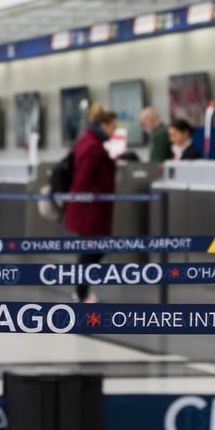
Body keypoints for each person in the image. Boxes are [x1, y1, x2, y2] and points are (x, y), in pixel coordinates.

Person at [63, 103, 119, 304]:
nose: (113, 132)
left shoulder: (89, 142)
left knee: (93, 249)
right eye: (112, 127)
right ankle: (81, 294)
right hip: (91, 209)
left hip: (93, 207)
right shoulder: (92, 147)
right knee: (92, 250)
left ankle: (82, 292)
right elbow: (82, 180)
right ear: (103, 125)